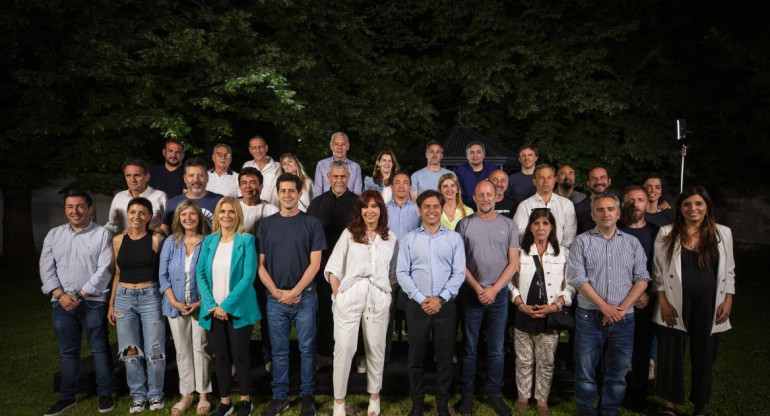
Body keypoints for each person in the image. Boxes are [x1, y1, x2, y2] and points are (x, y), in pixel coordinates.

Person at [652, 186, 735, 416]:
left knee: (705, 355)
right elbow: (658, 272)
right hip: (675, 302)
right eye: (687, 204)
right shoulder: (667, 232)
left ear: (707, 207)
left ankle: (700, 407)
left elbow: (729, 271)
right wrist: (663, 302)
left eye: (698, 204)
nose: (693, 208)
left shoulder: (722, 233)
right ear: (680, 208)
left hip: (710, 304)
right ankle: (670, 405)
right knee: (670, 354)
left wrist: (728, 299)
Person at [568, 193, 651, 416]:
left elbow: (642, 278)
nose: (606, 213)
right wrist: (605, 307)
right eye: (601, 210)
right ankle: (586, 410)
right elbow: (577, 278)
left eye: (610, 209)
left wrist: (621, 308)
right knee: (585, 371)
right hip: (589, 316)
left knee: (618, 371)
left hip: (624, 318)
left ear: (618, 213)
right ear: (593, 215)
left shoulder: (632, 243)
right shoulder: (582, 241)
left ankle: (609, 411)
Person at [40, 191, 115, 416]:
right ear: (65, 209)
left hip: (92, 301)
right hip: (62, 303)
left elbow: (105, 269)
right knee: (68, 352)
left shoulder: (102, 234)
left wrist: (81, 294)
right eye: (70, 207)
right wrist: (60, 294)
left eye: (80, 206)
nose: (75, 211)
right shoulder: (54, 235)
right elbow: (46, 267)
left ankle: (105, 394)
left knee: (99, 349)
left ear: (90, 209)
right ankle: (67, 397)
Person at [258, 173, 327, 416]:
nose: (287, 195)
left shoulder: (311, 223)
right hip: (275, 299)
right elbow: (260, 265)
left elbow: (315, 264)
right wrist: (275, 291)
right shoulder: (267, 225)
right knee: (279, 351)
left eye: (292, 191)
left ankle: (307, 395)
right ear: (277, 194)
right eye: (283, 191)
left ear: (299, 194)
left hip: (305, 297)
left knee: (307, 349)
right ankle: (280, 397)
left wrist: (295, 292)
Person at [324, 190, 398, 416]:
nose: (370, 211)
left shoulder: (391, 238)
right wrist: (338, 295)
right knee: (344, 349)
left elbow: (393, 275)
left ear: (381, 211)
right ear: (360, 210)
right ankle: (339, 402)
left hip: (378, 296)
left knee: (376, 348)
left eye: (375, 206)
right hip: (351, 294)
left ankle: (374, 397)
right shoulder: (349, 234)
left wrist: (387, 298)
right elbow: (333, 267)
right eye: (366, 206)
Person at [397, 190, 466, 416]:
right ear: (420, 210)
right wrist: (421, 299)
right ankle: (417, 403)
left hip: (445, 305)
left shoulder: (454, 238)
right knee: (415, 357)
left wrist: (441, 298)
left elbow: (458, 273)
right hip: (418, 305)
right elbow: (402, 273)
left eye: (436, 206)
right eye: (426, 206)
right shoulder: (409, 239)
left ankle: (442, 402)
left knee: (445, 357)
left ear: (441, 207)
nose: (432, 210)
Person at [455, 181, 519, 416]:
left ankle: (495, 395)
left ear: (496, 196)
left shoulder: (509, 225)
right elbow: (459, 263)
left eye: (489, 194)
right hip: (471, 294)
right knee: (470, 348)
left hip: (499, 295)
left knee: (497, 350)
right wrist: (478, 288)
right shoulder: (464, 224)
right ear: (474, 197)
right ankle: (467, 398)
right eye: (480, 194)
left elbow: (513, 263)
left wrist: (493, 290)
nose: (485, 198)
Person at [196, 196, 260, 416]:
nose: (226, 216)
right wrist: (213, 306)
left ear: (237, 215)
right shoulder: (209, 241)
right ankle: (225, 402)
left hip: (239, 309)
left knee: (241, 357)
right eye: (222, 211)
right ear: (218, 215)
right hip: (214, 311)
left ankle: (244, 401)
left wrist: (227, 307)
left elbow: (248, 276)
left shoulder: (246, 240)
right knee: (221, 358)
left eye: (231, 212)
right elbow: (201, 274)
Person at [510, 208, 574, 416]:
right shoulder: (520, 251)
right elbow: (510, 282)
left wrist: (555, 306)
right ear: (530, 226)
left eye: (545, 223)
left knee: (546, 361)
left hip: (550, 314)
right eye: (536, 223)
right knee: (524, 359)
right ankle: (522, 395)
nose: (540, 227)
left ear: (552, 227)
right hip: (524, 311)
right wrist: (519, 303)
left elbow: (570, 285)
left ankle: (542, 399)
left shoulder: (562, 252)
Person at [107, 197, 166, 414]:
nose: (137, 217)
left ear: (149, 216)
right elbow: (117, 274)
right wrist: (111, 304)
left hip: (150, 295)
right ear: (127, 214)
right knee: (130, 351)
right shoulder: (117, 241)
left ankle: (156, 394)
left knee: (155, 350)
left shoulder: (157, 239)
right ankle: (138, 395)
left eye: (142, 213)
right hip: (123, 296)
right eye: (132, 212)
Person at [158, 200, 213, 416]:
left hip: (201, 305)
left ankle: (203, 394)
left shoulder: (208, 242)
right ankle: (186, 394)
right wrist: (174, 301)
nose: (188, 218)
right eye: (183, 215)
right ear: (178, 219)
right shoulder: (171, 242)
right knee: (182, 350)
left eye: (192, 214)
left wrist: (200, 303)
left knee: (202, 349)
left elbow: (212, 276)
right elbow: (162, 277)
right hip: (175, 306)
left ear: (199, 217)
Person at [308, 160, 358, 367]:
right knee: (327, 311)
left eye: (343, 177)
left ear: (349, 178)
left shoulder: (359, 202)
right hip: (324, 267)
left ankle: (355, 355)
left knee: (354, 311)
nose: (339, 180)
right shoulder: (317, 203)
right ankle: (324, 354)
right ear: (328, 178)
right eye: (335, 176)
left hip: (352, 266)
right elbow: (309, 237)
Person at [618, 186, 660, 412]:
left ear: (647, 204)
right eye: (630, 199)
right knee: (618, 350)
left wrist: (649, 293)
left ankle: (638, 397)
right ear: (623, 204)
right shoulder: (615, 229)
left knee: (642, 352)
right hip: (618, 300)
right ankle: (617, 393)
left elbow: (661, 267)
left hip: (646, 301)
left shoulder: (657, 232)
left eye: (640, 199)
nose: (635, 203)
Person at [513, 164, 577, 248]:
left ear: (554, 180)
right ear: (534, 181)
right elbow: (520, 233)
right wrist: (536, 251)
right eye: (541, 178)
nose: (546, 181)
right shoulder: (524, 206)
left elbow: (570, 234)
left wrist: (560, 253)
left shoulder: (567, 204)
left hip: (559, 256)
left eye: (549, 177)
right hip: (532, 256)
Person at [160, 157, 224, 235]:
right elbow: (164, 230)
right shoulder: (173, 203)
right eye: (191, 175)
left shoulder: (220, 201)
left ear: (207, 177)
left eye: (200, 175)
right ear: (185, 178)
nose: (196, 180)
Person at [106, 159, 168, 235]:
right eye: (128, 175)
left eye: (137, 175)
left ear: (147, 177)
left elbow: (168, 226)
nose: (132, 180)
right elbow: (112, 226)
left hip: (153, 243)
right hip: (125, 244)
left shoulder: (160, 197)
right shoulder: (119, 197)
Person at [313, 132, 363, 196]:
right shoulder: (321, 165)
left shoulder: (355, 167)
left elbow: (357, 194)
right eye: (336, 144)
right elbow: (317, 193)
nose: (340, 147)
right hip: (326, 204)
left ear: (348, 146)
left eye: (343, 144)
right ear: (331, 146)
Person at [453, 141, 498, 209]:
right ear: (467, 156)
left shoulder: (493, 170)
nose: (475, 155)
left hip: (488, 208)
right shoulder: (459, 171)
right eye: (471, 153)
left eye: (478, 152)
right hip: (465, 209)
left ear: (483, 155)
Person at [574, 165, 613, 234]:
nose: (599, 181)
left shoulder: (618, 206)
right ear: (588, 183)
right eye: (594, 178)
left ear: (609, 181)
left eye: (602, 177)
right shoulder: (578, 209)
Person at [243, 136, 281, 205]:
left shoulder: (279, 167)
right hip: (251, 209)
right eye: (254, 147)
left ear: (266, 148)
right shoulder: (246, 166)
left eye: (260, 147)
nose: (258, 150)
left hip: (273, 211)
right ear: (250, 150)